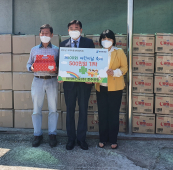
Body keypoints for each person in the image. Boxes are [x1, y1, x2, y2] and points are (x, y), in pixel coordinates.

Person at [59, 20, 95, 150]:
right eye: (71, 28)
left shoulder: (88, 43)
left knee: (83, 111)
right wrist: (60, 75)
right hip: (69, 84)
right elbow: (60, 63)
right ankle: (71, 139)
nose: (74, 30)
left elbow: (93, 62)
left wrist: (92, 77)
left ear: (81, 30)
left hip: (84, 84)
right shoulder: (63, 44)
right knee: (70, 112)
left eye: (77, 28)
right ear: (68, 31)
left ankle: (81, 139)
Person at [27, 24, 59, 148]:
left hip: (52, 80)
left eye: (47, 33)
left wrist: (57, 69)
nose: (44, 35)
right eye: (42, 33)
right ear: (39, 35)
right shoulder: (34, 49)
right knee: (36, 109)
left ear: (51, 35)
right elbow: (28, 64)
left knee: (53, 109)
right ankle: (37, 134)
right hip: (38, 80)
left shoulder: (56, 50)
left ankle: (52, 134)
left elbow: (61, 67)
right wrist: (31, 67)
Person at [95, 29, 128, 149]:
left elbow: (125, 68)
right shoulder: (97, 52)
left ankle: (113, 139)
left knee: (113, 114)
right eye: (104, 39)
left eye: (108, 38)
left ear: (113, 40)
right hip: (101, 88)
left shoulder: (119, 52)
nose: (106, 41)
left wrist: (114, 72)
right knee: (102, 114)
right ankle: (103, 139)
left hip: (115, 89)